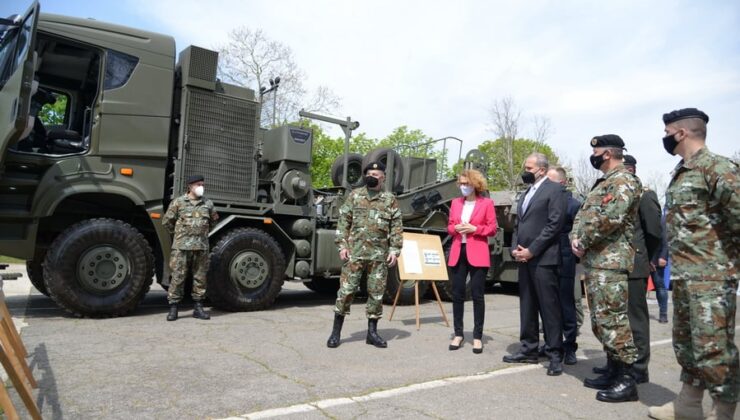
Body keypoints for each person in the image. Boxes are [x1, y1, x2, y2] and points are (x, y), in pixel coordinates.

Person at [648, 108, 739, 420]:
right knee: (687, 345)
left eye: (666, 132)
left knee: (714, 349)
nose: (664, 138)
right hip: (685, 276)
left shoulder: (717, 168)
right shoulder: (681, 171)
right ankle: (687, 405)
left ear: (681, 133)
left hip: (713, 278)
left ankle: (723, 411)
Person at [571, 134, 642, 403]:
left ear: (609, 153)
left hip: (611, 263)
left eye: (597, 151)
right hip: (597, 261)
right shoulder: (603, 183)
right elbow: (583, 217)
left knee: (613, 320)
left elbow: (611, 217)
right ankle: (613, 371)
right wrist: (575, 239)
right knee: (601, 320)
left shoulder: (624, 180)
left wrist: (583, 239)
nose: (594, 156)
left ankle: (627, 380)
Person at [326, 161, 403, 349]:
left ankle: (372, 333)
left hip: (379, 256)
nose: (372, 177)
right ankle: (336, 333)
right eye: (369, 173)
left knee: (376, 294)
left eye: (376, 174)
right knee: (346, 292)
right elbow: (343, 222)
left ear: (383, 177)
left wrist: (394, 250)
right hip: (355, 253)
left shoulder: (389, 199)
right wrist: (342, 246)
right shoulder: (354, 196)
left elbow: (396, 227)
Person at [503, 153, 567, 376]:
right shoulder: (526, 193)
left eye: (528, 167)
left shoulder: (555, 190)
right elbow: (519, 225)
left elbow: (554, 224)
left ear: (541, 169)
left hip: (544, 258)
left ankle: (555, 354)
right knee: (527, 305)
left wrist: (532, 250)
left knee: (549, 308)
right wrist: (515, 248)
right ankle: (528, 349)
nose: (525, 170)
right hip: (524, 257)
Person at [604, 154, 661, 385]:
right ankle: (615, 365)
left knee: (634, 319)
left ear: (632, 170)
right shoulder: (612, 194)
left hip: (635, 265)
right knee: (614, 320)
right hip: (613, 266)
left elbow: (654, 232)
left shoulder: (644, 194)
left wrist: (647, 257)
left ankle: (638, 368)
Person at [446, 169, 498, 354]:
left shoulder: (487, 203)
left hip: (478, 252)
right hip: (458, 251)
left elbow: (492, 228)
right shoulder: (455, 203)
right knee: (457, 295)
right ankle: (458, 334)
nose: (463, 187)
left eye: (466, 184)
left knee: (477, 296)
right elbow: (450, 226)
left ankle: (477, 337)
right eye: (460, 184)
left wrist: (474, 228)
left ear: (475, 185)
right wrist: (456, 228)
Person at [162, 174, 219, 321]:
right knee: (178, 277)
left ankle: (198, 308)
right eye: (198, 184)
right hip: (181, 248)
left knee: (200, 278)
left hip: (201, 248)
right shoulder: (178, 202)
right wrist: (181, 236)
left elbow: (212, 223)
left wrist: (200, 235)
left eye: (202, 184)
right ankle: (173, 308)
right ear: (190, 186)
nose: (201, 187)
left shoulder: (208, 204)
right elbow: (167, 222)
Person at [546, 166, 581, 365]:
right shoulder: (544, 201)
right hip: (545, 256)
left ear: (562, 183)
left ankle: (570, 346)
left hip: (564, 256)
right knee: (549, 305)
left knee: (566, 305)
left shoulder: (573, 205)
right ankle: (552, 344)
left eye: (551, 182)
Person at [652, 210, 669, 324]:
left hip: (657, 258)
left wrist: (663, 256)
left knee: (660, 287)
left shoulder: (660, 219)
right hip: (644, 258)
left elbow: (665, 241)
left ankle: (663, 314)